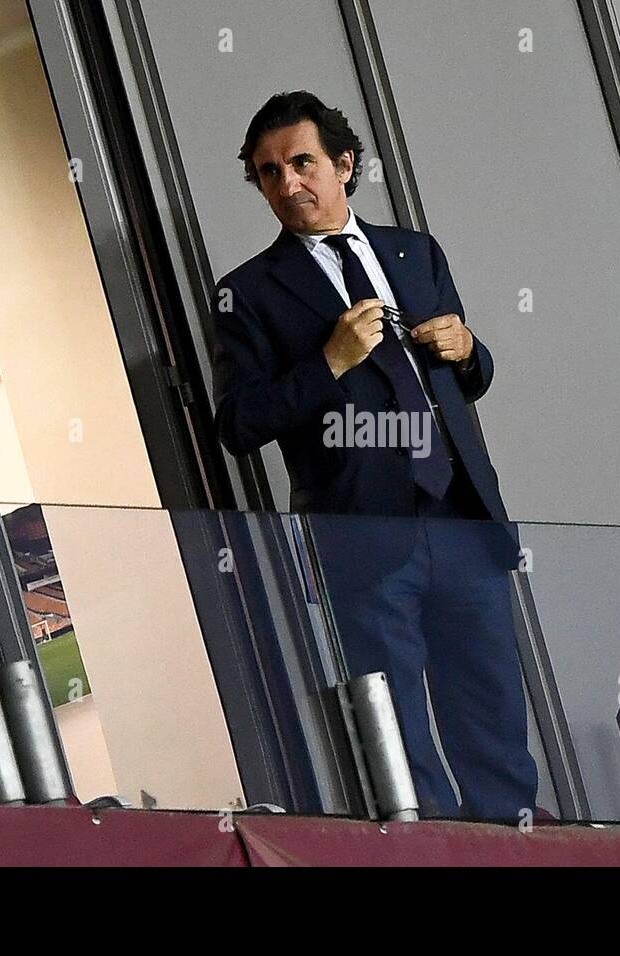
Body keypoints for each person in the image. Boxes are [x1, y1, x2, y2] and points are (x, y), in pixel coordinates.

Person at [212, 91, 538, 820]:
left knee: (493, 714)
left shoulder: (414, 252)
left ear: (345, 165)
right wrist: (328, 362)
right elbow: (237, 424)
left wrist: (469, 351)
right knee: (399, 738)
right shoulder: (248, 293)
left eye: (301, 163)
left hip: (461, 516)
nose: (287, 184)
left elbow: (467, 379)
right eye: (268, 173)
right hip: (362, 535)